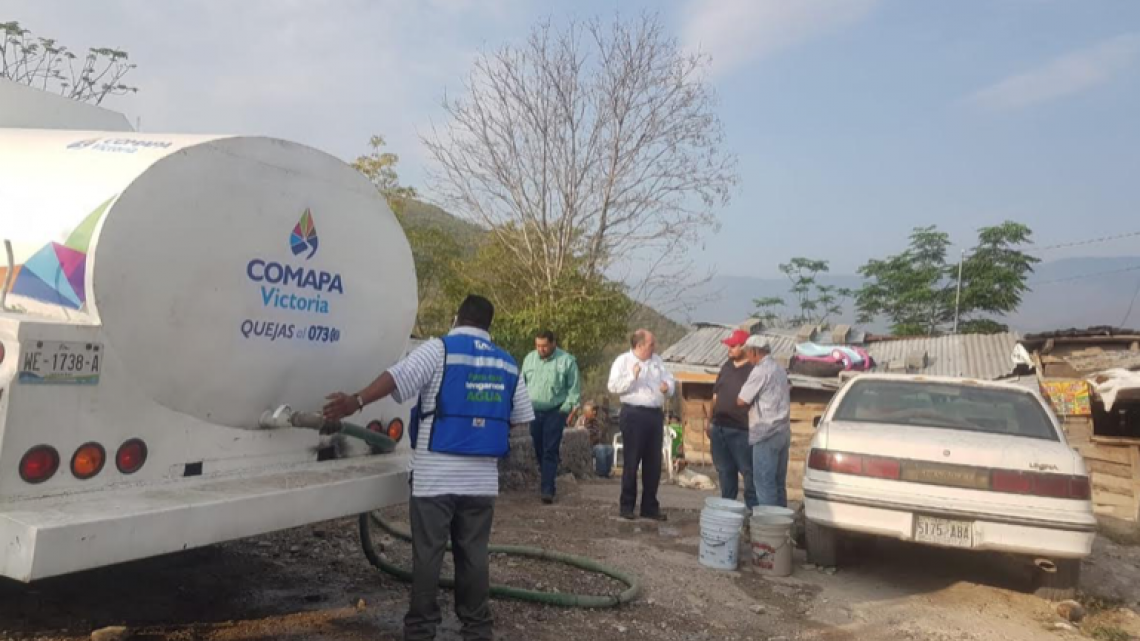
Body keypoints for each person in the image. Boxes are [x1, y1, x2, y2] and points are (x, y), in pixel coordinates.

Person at [323, 295, 534, 641]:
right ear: (488, 325)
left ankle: (421, 631)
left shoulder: (440, 349)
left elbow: (396, 376)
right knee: (474, 557)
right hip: (481, 482)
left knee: (428, 557)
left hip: (435, 478)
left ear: (457, 317)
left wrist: (355, 401)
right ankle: (478, 629)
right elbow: (518, 419)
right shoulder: (508, 363)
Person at [607, 329, 676, 521]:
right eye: (650, 344)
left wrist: (667, 388)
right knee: (631, 461)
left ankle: (650, 506)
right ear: (639, 346)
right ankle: (627, 505)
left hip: (654, 414)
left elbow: (670, 380)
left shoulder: (657, 361)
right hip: (633, 413)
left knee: (653, 463)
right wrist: (632, 377)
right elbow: (612, 386)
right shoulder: (623, 361)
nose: (654, 347)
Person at [521, 330, 581, 504]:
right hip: (534, 411)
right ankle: (547, 476)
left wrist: (567, 409)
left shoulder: (567, 361)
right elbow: (522, 384)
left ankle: (547, 489)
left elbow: (574, 389)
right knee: (538, 446)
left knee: (550, 448)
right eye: (538, 345)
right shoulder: (529, 360)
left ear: (553, 343)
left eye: (545, 346)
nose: (541, 349)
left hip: (556, 410)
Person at [737, 335, 792, 508]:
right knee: (778, 483)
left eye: (748, 352)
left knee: (764, 483)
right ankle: (783, 525)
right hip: (782, 431)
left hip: (765, 433)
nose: (747, 356)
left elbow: (742, 400)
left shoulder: (760, 371)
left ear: (754, 351)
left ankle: (769, 529)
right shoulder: (779, 369)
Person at [709, 329, 758, 508]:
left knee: (748, 472)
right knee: (724, 471)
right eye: (728, 345)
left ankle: (752, 513)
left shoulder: (753, 370)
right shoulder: (726, 367)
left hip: (741, 430)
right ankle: (727, 510)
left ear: (745, 347)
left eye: (733, 345)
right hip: (719, 427)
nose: (729, 349)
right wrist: (710, 422)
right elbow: (715, 395)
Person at [572, 401, 615, 477]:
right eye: (593, 410)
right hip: (584, 448)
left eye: (595, 410)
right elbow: (577, 434)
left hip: (594, 445)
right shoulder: (581, 421)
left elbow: (599, 436)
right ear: (586, 412)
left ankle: (606, 472)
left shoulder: (596, 422)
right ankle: (601, 473)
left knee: (609, 448)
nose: (595, 412)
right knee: (600, 448)